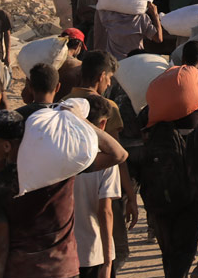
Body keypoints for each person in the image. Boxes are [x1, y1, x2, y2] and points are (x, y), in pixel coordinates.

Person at [0, 101, 128, 278]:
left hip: (22, 270)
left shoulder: (5, 183)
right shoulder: (59, 164)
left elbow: (2, 241)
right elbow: (118, 154)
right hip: (63, 268)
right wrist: (81, 119)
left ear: (6, 145)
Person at [75, 95, 123, 278]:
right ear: (102, 124)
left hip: (66, 253)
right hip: (94, 253)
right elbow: (105, 212)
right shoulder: (107, 161)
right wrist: (108, 262)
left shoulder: (64, 154)